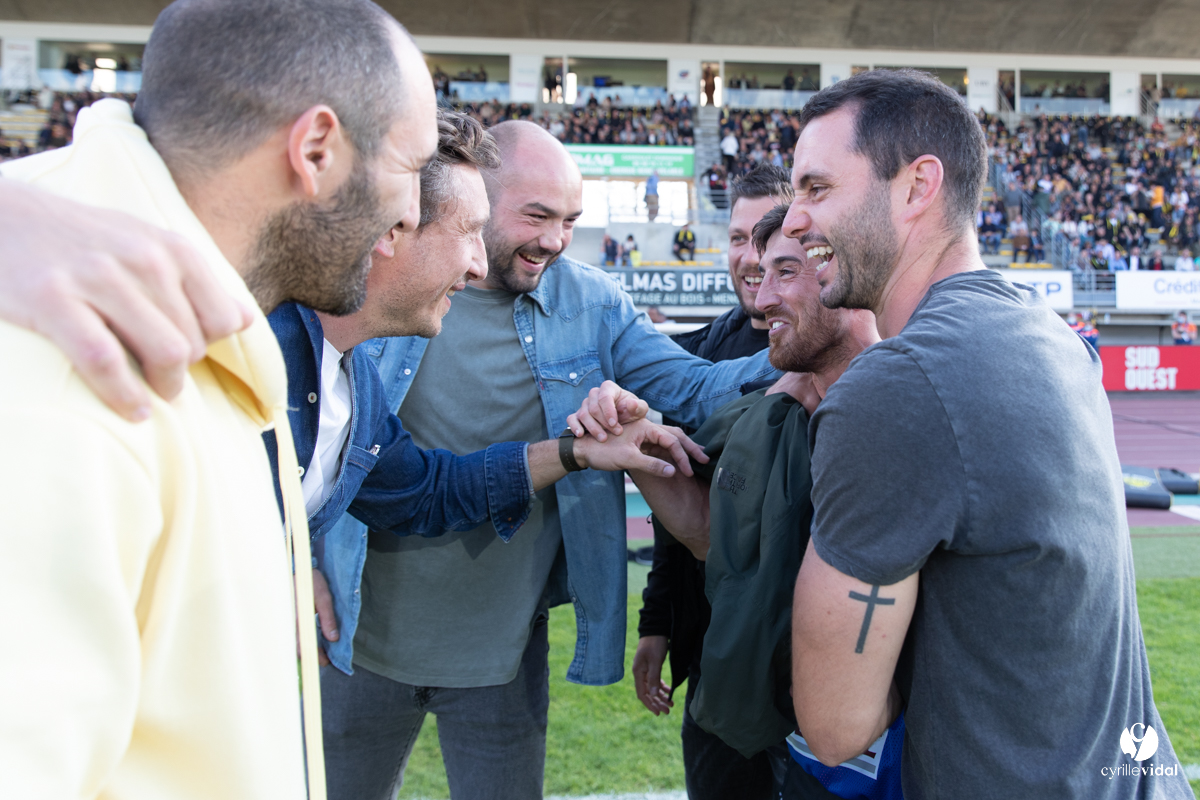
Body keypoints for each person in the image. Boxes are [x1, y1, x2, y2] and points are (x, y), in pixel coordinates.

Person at [0, 1, 439, 798]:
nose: (412, 213)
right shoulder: (73, 371)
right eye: (413, 169)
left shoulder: (209, 324)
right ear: (315, 150)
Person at [319, 120, 777, 800]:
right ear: (477, 197)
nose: (556, 241)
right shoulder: (377, 287)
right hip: (361, 645)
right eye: (537, 216)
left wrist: (825, 336)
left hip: (503, 657)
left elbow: (693, 386)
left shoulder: (589, 301)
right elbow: (312, 448)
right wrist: (301, 558)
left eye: (570, 221)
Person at [783, 68, 1190, 799]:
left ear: (916, 186)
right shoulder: (1053, 335)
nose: (792, 219)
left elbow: (836, 725)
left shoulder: (899, 384)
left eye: (816, 188)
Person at [629, 205, 893, 800]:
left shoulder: (912, 401)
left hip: (895, 748)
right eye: (754, 260)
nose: (762, 296)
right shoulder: (770, 408)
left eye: (786, 272)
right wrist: (635, 454)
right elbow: (714, 537)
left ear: (842, 274)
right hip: (794, 735)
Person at [634, 164, 794, 800]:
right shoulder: (693, 359)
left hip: (804, 644)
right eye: (735, 239)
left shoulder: (838, 346)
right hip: (713, 653)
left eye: (765, 236)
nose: (750, 259)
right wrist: (657, 623)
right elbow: (678, 507)